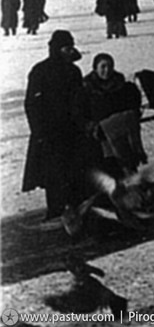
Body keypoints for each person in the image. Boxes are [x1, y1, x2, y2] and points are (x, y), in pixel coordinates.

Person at [22, 30, 89, 220]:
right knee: (53, 174)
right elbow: (32, 104)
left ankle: (76, 210)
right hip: (49, 131)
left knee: (74, 170)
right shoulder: (40, 71)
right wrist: (38, 130)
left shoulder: (74, 71)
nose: (70, 51)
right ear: (57, 49)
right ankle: (55, 211)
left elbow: (80, 100)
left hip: (72, 130)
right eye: (66, 48)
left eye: (71, 47)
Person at [80, 53, 146, 177]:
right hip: (100, 137)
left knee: (126, 167)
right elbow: (80, 113)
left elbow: (132, 106)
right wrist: (93, 127)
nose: (107, 70)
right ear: (95, 68)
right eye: (103, 66)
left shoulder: (122, 86)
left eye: (110, 66)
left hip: (121, 135)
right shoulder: (86, 89)